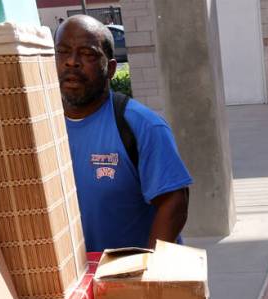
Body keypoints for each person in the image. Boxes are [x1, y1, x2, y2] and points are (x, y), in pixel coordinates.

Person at [54, 15, 191, 252]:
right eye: (63, 52)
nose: (72, 62)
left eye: (87, 54)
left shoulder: (141, 125)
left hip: (128, 280)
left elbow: (174, 202)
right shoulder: (42, 128)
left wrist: (147, 272)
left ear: (111, 69)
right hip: (72, 281)